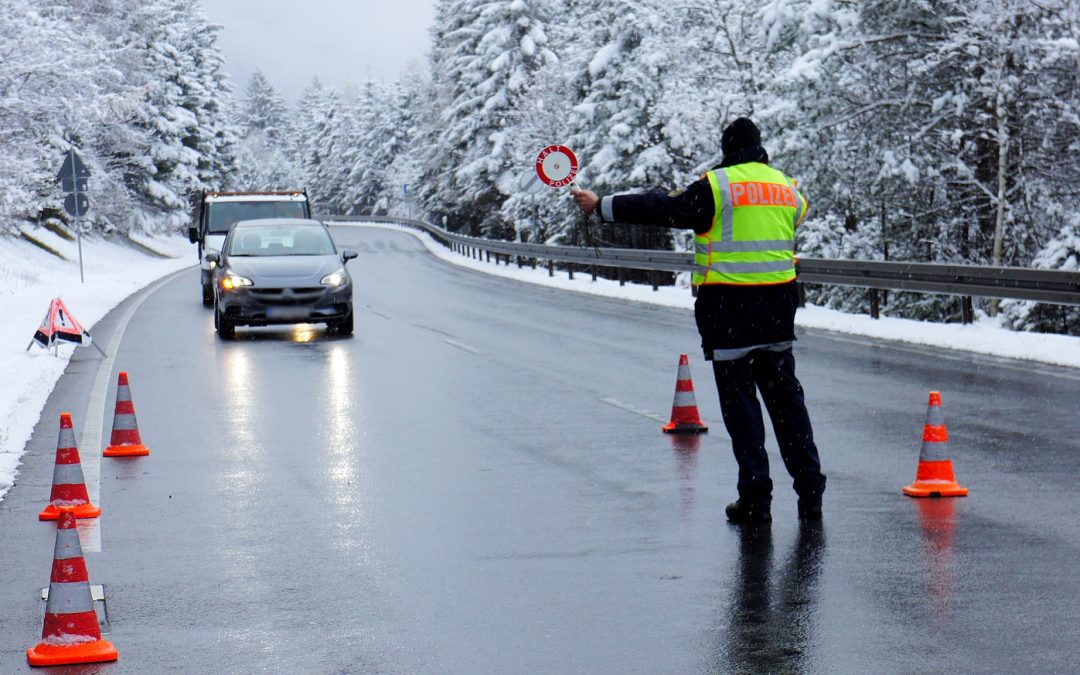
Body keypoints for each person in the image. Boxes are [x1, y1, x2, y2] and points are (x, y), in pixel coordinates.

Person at [571, 117, 825, 524]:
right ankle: (810, 492)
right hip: (778, 310)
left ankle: (756, 499)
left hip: (730, 311)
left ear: (727, 149)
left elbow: (662, 207)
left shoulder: (717, 186)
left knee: (742, 408)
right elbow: (793, 220)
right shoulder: (786, 188)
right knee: (787, 404)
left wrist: (603, 206)